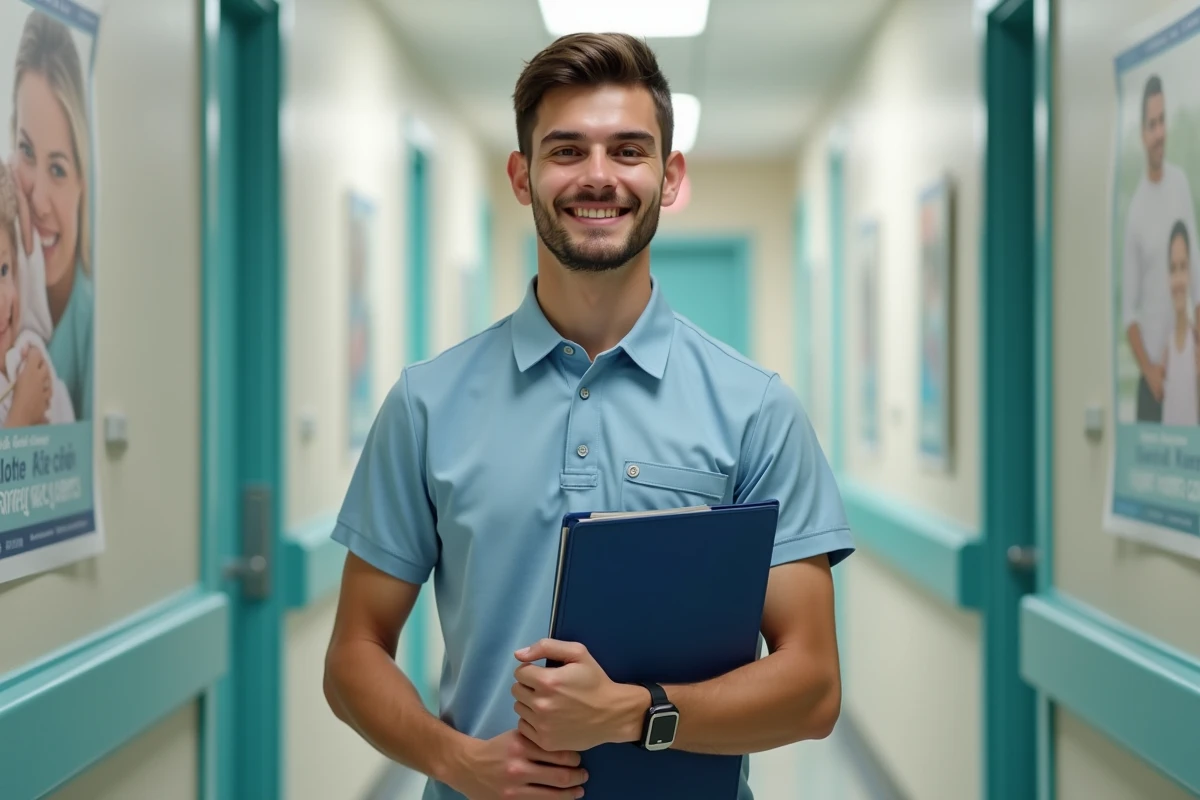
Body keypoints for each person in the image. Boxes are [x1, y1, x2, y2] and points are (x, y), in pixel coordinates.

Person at [323, 33, 854, 800]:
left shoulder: (755, 409)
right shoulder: (426, 403)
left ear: (669, 177)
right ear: (523, 175)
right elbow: (353, 654)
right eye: (566, 150)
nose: (598, 177)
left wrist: (637, 715)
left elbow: (812, 687)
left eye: (628, 151)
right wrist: (458, 762)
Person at [8, 10, 94, 422]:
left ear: (83, 182)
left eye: (58, 169)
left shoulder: (90, 322)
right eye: (26, 151)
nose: (37, 199)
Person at [1122, 74, 1200, 423]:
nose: (1159, 133)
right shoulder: (1136, 211)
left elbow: (1195, 269)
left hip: (1188, 372)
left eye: (1162, 121)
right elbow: (1128, 314)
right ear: (1142, 133)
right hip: (1156, 384)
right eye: (1151, 125)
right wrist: (1151, 371)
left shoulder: (1181, 184)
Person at [0, 161, 72, 426]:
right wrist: (23, 411)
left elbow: (29, 270)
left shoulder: (26, 342)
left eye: (3, 270)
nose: (2, 301)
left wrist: (23, 214)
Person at [1160, 220, 1200, 427]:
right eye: (1173, 268)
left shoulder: (1197, 345)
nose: (1177, 279)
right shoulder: (1165, 351)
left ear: (1191, 273)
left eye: (1183, 267)